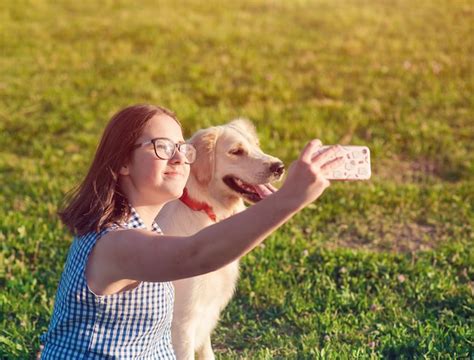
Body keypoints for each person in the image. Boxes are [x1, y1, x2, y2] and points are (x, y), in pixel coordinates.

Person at [39, 104, 343, 359]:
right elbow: (195, 254)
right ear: (122, 164)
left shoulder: (148, 226)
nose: (180, 157)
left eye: (182, 148)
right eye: (162, 147)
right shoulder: (115, 242)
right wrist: (289, 199)